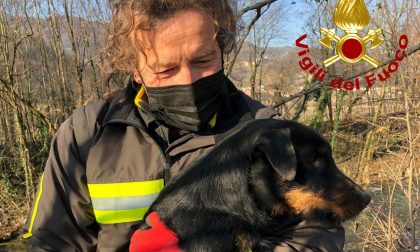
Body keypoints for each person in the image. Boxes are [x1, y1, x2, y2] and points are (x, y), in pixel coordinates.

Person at [23, 0, 345, 251]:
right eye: (165, 70)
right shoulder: (85, 135)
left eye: (202, 60)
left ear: (221, 47)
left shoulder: (268, 137)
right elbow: (51, 241)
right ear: (134, 68)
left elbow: (318, 230)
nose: (187, 81)